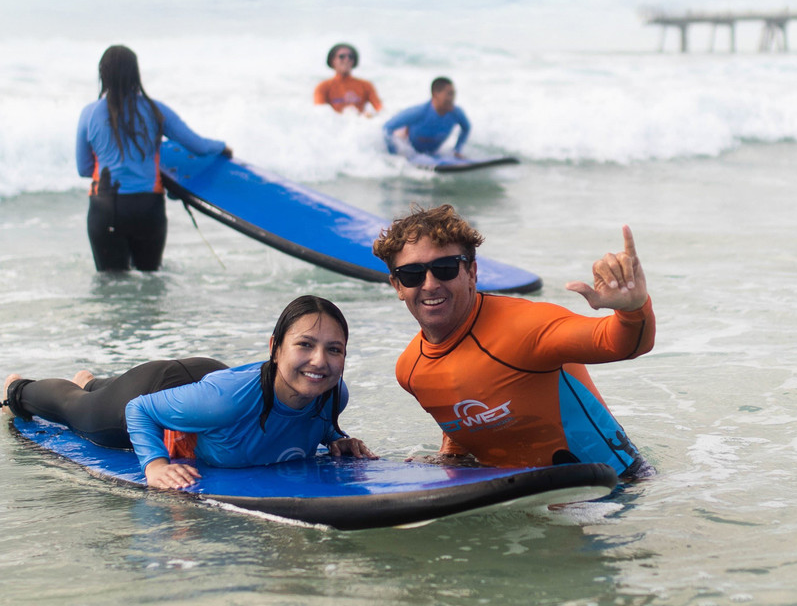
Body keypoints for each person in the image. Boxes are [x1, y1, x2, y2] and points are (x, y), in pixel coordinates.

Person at [371, 204, 655, 479]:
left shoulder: (526, 327)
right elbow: (462, 403)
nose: (430, 284)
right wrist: (451, 455)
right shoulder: (410, 370)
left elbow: (623, 344)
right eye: (412, 274)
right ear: (397, 286)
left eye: (445, 268)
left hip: (612, 494)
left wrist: (632, 309)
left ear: (471, 273)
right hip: (515, 500)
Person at [2, 295, 376, 490]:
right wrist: (155, 464)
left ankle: (93, 381)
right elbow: (140, 409)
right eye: (305, 345)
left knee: (103, 395)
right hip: (162, 388)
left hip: (205, 386)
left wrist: (335, 438)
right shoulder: (224, 402)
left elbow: (299, 419)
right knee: (82, 413)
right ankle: (17, 388)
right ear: (275, 348)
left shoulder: (331, 395)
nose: (319, 361)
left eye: (334, 349)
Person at [76, 45, 232, 272]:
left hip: (106, 208)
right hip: (147, 209)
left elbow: (83, 168)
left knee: (111, 287)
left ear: (103, 74)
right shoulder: (156, 110)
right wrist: (222, 147)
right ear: (135, 74)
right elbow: (197, 145)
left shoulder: (89, 113)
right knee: (150, 281)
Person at [382, 77, 470, 157]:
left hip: (432, 154)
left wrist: (457, 150)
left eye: (453, 94)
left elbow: (466, 128)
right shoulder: (419, 112)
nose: (452, 98)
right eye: (449, 94)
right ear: (435, 94)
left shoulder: (456, 113)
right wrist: (394, 154)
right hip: (409, 150)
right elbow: (386, 128)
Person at [313, 43, 383, 116]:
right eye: (342, 56)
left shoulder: (366, 85)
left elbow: (379, 108)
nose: (347, 59)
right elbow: (320, 113)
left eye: (350, 57)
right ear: (332, 60)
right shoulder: (323, 87)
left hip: (360, 124)